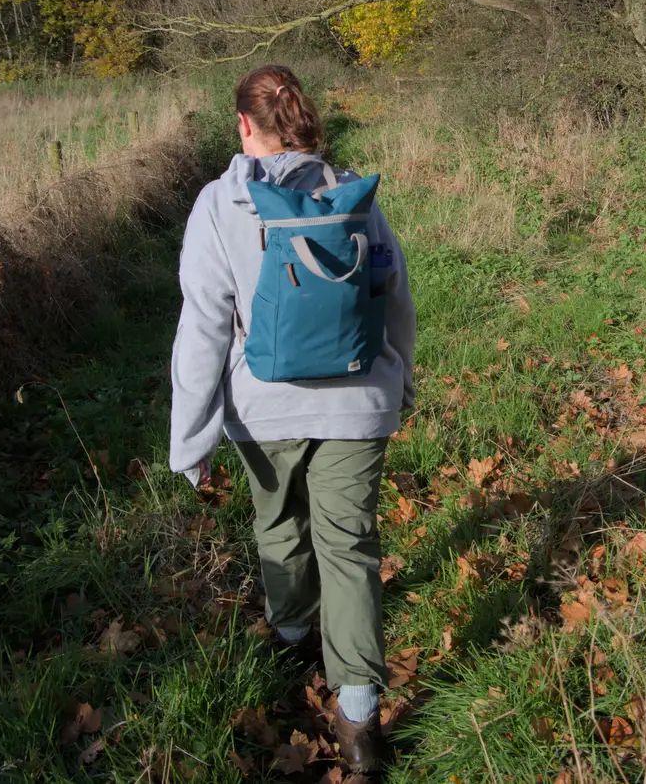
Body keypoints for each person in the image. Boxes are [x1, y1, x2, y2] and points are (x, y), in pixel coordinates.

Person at [168, 64, 416, 775]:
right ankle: (361, 717)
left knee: (279, 524)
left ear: (245, 126)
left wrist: (193, 437)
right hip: (357, 398)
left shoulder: (221, 204)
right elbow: (394, 295)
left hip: (262, 404)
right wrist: (397, 380)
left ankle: (291, 631)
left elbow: (204, 328)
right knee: (350, 545)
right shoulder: (352, 195)